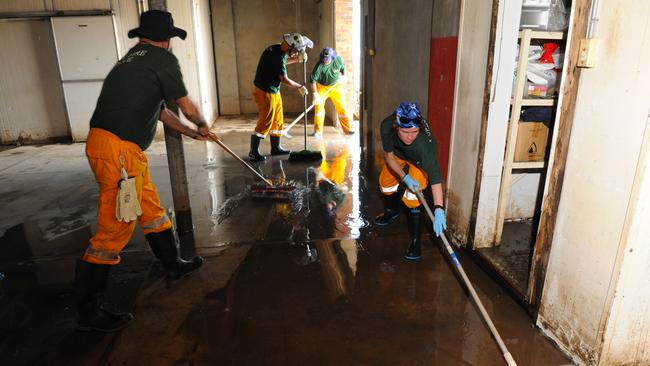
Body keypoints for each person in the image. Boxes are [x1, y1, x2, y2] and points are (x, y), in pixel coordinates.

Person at [75, 10, 212, 332]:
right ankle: (88, 310)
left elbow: (161, 111)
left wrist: (193, 133)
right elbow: (186, 105)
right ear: (167, 39)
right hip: (119, 152)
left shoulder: (132, 60)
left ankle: (172, 265)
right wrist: (202, 123)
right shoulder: (162, 59)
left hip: (118, 149)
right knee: (115, 227)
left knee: (149, 208)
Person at [375, 102, 447, 261]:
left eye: (414, 131)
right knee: (385, 183)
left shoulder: (424, 146)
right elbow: (388, 156)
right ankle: (391, 211)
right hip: (398, 155)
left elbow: (435, 178)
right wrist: (404, 177)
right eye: (405, 131)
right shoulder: (387, 125)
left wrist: (439, 209)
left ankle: (416, 241)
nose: (410, 136)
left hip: (418, 162)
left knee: (414, 197)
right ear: (396, 127)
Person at [249, 32, 313, 162]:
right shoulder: (276, 54)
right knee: (266, 121)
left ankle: (275, 148)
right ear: (290, 47)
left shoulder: (279, 48)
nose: (295, 53)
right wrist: (299, 86)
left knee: (278, 119)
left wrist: (298, 59)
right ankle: (253, 152)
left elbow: (283, 62)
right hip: (265, 91)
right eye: (295, 52)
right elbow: (284, 78)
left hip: (273, 89)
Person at [309, 48, 355, 137]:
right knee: (319, 109)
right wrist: (315, 94)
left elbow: (344, 72)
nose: (325, 61)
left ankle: (347, 130)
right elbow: (312, 82)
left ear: (332, 57)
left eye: (327, 59)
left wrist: (344, 78)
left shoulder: (338, 60)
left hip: (336, 86)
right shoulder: (319, 66)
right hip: (322, 87)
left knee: (342, 107)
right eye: (323, 59)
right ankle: (318, 132)